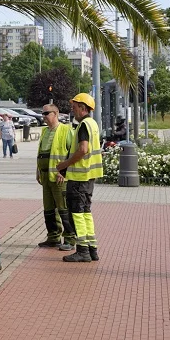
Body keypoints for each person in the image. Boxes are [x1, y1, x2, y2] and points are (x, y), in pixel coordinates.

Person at [55, 93, 102, 263]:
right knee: (86, 213)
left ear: (83, 108)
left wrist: (65, 164)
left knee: (77, 214)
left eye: (74, 107)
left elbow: (83, 149)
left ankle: (82, 251)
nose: (72, 110)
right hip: (88, 178)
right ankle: (91, 248)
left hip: (79, 178)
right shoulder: (93, 124)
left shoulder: (83, 125)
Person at [36, 104, 77, 251]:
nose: (44, 116)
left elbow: (73, 153)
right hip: (46, 175)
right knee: (49, 208)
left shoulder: (66, 130)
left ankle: (70, 239)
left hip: (59, 177)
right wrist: (38, 170)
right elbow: (41, 152)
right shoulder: (45, 131)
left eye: (46, 113)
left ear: (56, 114)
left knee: (63, 208)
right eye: (43, 113)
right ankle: (53, 237)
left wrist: (64, 171)